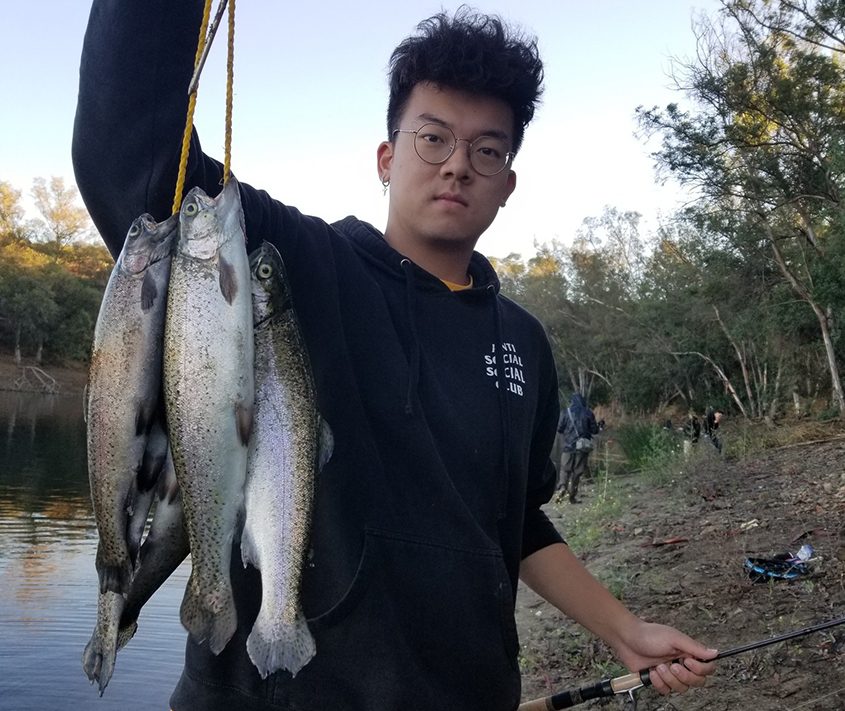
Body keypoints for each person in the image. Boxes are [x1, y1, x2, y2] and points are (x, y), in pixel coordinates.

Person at [72, 3, 716, 709]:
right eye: (432, 138)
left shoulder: (522, 340)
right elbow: (132, 158)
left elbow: (517, 522)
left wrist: (624, 630)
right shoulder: (292, 267)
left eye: (486, 150)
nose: (457, 167)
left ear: (507, 182)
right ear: (387, 157)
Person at [557, 393, 599, 504]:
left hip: (567, 447)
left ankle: (562, 487)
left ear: (572, 401)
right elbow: (594, 430)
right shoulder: (588, 413)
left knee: (564, 470)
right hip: (582, 447)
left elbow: (559, 429)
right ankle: (572, 496)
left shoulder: (565, 412)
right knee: (577, 472)